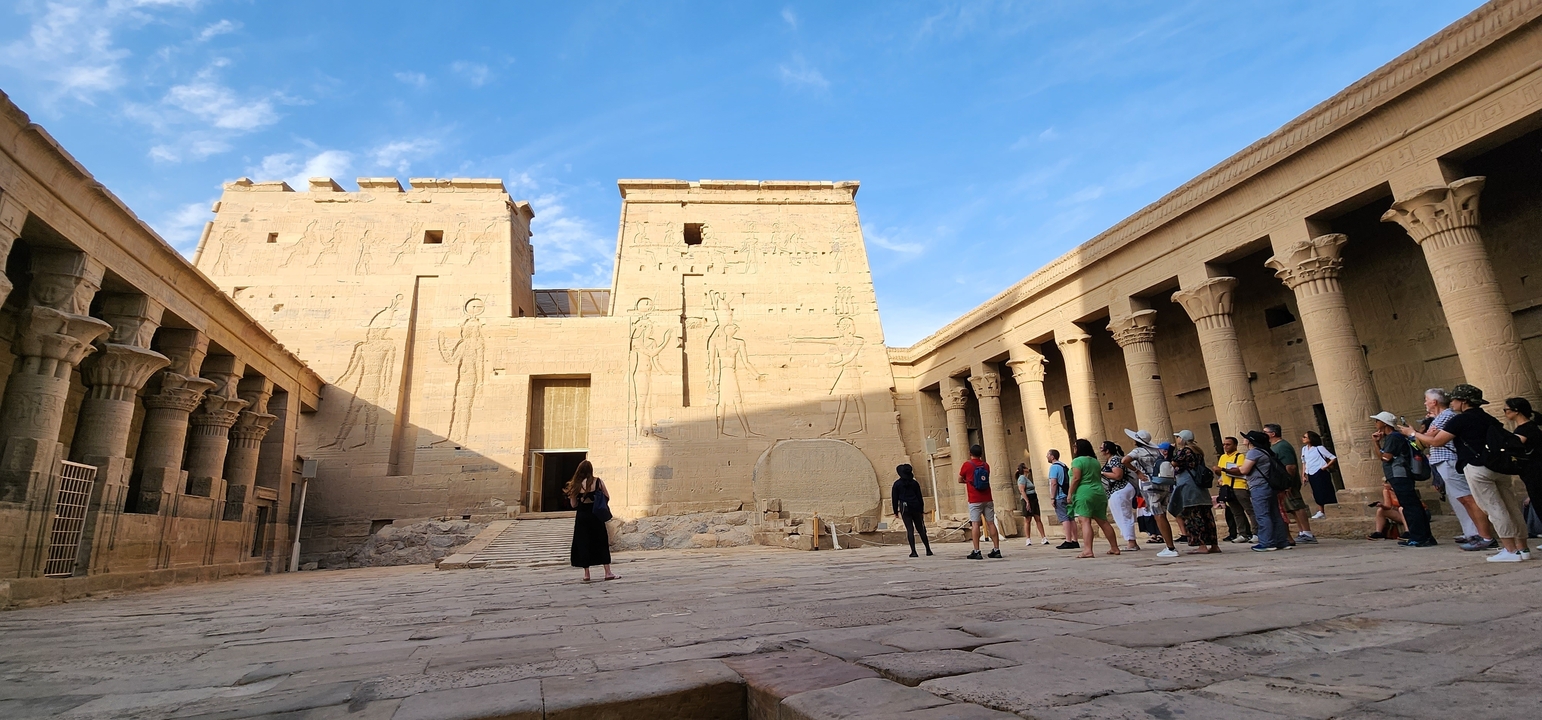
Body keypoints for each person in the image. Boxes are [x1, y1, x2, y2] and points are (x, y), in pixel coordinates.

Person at [1402, 385, 1531, 562]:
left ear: (1463, 402)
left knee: (1494, 508)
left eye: (1454, 399)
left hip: (1477, 466)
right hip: (1498, 466)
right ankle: (1522, 548)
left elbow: (1437, 441)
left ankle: (1510, 550)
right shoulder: (1488, 417)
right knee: (1511, 507)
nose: (1451, 403)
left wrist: (1412, 433)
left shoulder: (1460, 420)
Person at [1424, 388, 1494, 548]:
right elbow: (1424, 442)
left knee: (1467, 498)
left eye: (1426, 399)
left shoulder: (1448, 416)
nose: (1425, 403)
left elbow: (1433, 441)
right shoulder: (1443, 417)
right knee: (1461, 499)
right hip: (1449, 461)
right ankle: (1473, 533)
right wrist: (1424, 436)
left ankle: (1483, 535)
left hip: (1453, 460)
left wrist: (1413, 434)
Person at [1371, 411, 1436, 547]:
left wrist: (1376, 444)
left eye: (1377, 421)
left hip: (1399, 475)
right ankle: (1425, 536)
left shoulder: (1393, 437)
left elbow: (1385, 458)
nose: (1375, 423)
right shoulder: (1395, 437)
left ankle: (1419, 537)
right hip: (1400, 475)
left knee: (1410, 507)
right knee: (1413, 505)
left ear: (1384, 423)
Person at [1123, 429, 1179, 557]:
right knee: (1162, 514)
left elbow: (1125, 461)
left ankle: (1170, 547)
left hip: (1149, 485)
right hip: (1164, 484)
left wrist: (1137, 471)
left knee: (1158, 515)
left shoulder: (1138, 451)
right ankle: (1169, 545)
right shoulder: (1157, 451)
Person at [1230, 431, 1291, 551]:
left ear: (1251, 441)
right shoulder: (1266, 451)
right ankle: (1281, 541)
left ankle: (1267, 542)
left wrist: (1229, 469)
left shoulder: (1254, 452)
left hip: (1259, 486)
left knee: (1262, 515)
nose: (1244, 440)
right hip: (1270, 486)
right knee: (1275, 514)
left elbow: (1244, 470)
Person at [1068, 439, 1121, 558]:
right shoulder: (1095, 461)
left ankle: (1088, 550)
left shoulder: (1077, 461)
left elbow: (1076, 478)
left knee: (1085, 521)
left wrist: (1070, 494)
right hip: (1099, 492)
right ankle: (1114, 547)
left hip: (1084, 492)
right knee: (1103, 521)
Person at [566, 460, 617, 581]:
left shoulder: (575, 484)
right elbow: (607, 496)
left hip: (582, 516)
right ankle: (607, 572)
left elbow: (573, 504)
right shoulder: (597, 481)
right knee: (601, 541)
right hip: (596, 516)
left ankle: (587, 574)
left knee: (583, 542)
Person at [1170, 430, 1219, 554]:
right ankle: (1214, 544)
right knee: (1207, 516)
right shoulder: (1198, 450)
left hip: (1189, 485)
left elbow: (1173, 463)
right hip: (1200, 486)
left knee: (1193, 516)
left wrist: (1171, 451)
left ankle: (1201, 545)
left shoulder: (1185, 451)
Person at [1264, 424, 1316, 544]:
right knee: (1291, 508)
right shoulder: (1275, 446)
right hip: (1282, 483)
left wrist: (1287, 483)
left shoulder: (1282, 446)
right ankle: (1302, 532)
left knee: (1296, 505)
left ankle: (1307, 532)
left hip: (1287, 483)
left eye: (1265, 432)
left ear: (1273, 434)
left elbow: (1290, 466)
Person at [959, 444, 1002, 560]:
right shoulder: (986, 465)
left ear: (970, 453)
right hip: (987, 498)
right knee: (991, 523)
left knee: (975, 524)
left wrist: (968, 482)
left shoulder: (967, 465)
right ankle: (996, 549)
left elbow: (960, 479)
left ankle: (977, 551)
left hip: (974, 499)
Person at [1503, 397, 1542, 519]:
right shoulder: (1530, 427)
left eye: (1506, 409)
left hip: (1535, 472)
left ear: (1516, 411)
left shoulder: (1525, 430)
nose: (1505, 412)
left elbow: (1512, 447)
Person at [1214, 436, 1256, 544]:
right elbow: (1221, 473)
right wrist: (1217, 471)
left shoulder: (1240, 456)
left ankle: (1256, 532)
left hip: (1239, 486)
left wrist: (1223, 469)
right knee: (1236, 512)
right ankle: (1243, 533)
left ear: (1235, 445)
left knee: (1249, 510)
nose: (1225, 446)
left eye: (1228, 444)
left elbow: (1240, 471)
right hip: (1227, 487)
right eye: (1224, 445)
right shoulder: (1223, 457)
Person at [1100, 441, 1139, 551]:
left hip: (1120, 489)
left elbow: (1118, 475)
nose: (1100, 449)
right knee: (1121, 516)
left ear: (1107, 450)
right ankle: (1130, 541)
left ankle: (1132, 542)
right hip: (1116, 491)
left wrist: (1102, 473)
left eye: (1102, 447)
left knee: (1124, 515)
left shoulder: (1114, 459)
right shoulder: (1112, 459)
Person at [891, 464, 932, 557]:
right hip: (916, 507)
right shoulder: (914, 483)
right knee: (921, 529)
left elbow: (894, 498)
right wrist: (922, 510)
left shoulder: (897, 484)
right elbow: (919, 497)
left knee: (910, 529)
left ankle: (914, 551)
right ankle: (928, 549)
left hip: (905, 508)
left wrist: (895, 511)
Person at [1300, 431, 1339, 519]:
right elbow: (1304, 462)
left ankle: (1330, 509)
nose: (1303, 438)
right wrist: (1303, 474)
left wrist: (1325, 467)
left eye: (1305, 437)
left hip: (1320, 471)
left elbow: (1332, 458)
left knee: (1325, 490)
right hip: (1311, 472)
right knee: (1316, 492)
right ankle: (1321, 511)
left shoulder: (1319, 448)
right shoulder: (1304, 449)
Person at [1048, 450, 1077, 549]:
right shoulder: (1063, 466)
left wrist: (1052, 497)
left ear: (1052, 457)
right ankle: (1075, 540)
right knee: (1071, 518)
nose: (1046, 457)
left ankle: (1068, 540)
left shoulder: (1054, 467)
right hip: (1067, 494)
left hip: (1059, 495)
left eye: (1048, 455)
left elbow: (1054, 483)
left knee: (1064, 518)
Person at [1016, 462, 1049, 546]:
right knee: (1028, 519)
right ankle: (1028, 538)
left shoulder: (1026, 478)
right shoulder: (1022, 478)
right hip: (1028, 498)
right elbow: (1022, 490)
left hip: (1033, 498)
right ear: (1024, 469)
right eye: (1026, 467)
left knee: (1037, 518)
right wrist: (1027, 501)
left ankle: (1043, 537)